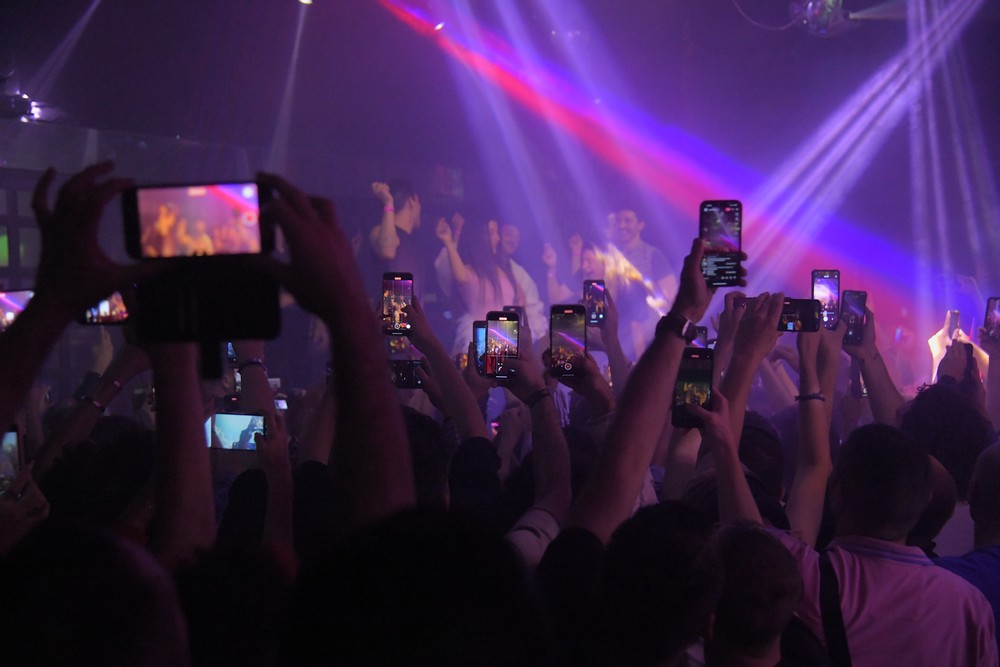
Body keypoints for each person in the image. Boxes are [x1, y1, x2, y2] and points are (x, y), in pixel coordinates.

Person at [604, 208, 677, 360]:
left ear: (640, 225)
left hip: (653, 340)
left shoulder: (652, 255)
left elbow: (672, 298)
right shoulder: (614, 260)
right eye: (619, 221)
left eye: (628, 221)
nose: (622, 225)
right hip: (625, 341)